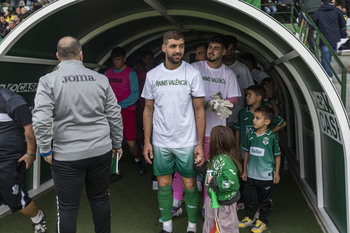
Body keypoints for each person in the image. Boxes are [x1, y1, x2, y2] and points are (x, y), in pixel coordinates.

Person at [32, 36, 123, 233]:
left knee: (67, 209)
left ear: (58, 56)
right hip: (101, 151)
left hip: (67, 155)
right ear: (81, 54)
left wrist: (46, 150)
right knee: (100, 199)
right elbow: (114, 114)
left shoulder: (48, 81)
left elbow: (41, 120)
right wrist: (117, 143)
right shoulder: (101, 79)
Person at [142, 30, 206, 233]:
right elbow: (148, 110)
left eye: (181, 46)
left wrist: (199, 144)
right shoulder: (152, 75)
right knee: (164, 183)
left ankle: (192, 227)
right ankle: (167, 227)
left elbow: (199, 111)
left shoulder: (192, 74)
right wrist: (147, 141)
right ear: (163, 48)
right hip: (161, 142)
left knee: (189, 183)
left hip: (187, 142)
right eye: (173, 46)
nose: (178, 50)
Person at [191, 35, 241, 216]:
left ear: (225, 52)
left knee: (210, 171)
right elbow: (186, 94)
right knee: (186, 170)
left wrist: (214, 104)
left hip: (214, 132)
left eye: (216, 48)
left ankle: (207, 206)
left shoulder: (228, 73)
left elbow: (234, 100)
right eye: (210, 47)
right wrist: (209, 103)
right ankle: (180, 204)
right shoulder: (195, 68)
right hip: (190, 130)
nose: (211, 51)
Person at [0, 86, 47, 233]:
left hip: (8, 160)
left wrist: (31, 153)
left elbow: (29, 128)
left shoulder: (10, 99)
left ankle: (38, 218)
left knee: (16, 201)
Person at [233, 85, 286, 211]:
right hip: (245, 150)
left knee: (260, 179)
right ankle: (243, 201)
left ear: (259, 97)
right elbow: (238, 131)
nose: (246, 97)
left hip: (262, 154)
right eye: (246, 95)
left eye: (249, 95)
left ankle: (262, 204)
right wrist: (236, 148)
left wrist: (267, 133)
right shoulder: (242, 113)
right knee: (243, 175)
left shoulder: (266, 112)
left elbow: (282, 123)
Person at [239, 106, 281, 233]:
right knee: (249, 197)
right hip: (251, 175)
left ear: (267, 122)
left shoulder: (271, 137)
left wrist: (277, 173)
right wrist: (244, 170)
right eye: (253, 117)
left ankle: (262, 221)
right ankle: (250, 218)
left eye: (257, 118)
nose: (254, 120)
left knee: (265, 200)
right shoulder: (250, 135)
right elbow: (246, 153)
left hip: (266, 176)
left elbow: (277, 155)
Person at [105, 46, 145, 175]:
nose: (116, 62)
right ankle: (114, 169)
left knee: (131, 143)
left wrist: (119, 105)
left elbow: (135, 94)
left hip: (127, 111)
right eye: (114, 60)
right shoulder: (108, 73)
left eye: (118, 59)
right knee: (110, 141)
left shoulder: (131, 73)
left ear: (124, 59)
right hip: (110, 112)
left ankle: (138, 160)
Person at [195, 126, 241, 233]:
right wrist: (199, 164)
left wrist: (213, 181)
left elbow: (232, 183)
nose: (209, 139)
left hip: (225, 205)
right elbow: (208, 171)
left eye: (211, 137)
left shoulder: (227, 162)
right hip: (214, 200)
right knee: (211, 227)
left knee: (226, 229)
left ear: (217, 142)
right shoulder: (215, 158)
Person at [222, 35, 254, 124]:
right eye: (227, 49)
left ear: (235, 49)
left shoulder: (242, 69)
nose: (229, 52)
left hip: (237, 116)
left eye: (231, 49)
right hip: (217, 116)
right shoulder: (216, 67)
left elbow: (250, 91)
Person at [313, 0, 346, 77]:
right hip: (334, 37)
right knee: (329, 55)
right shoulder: (337, 10)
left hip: (323, 37)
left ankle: (328, 76)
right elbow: (343, 23)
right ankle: (328, 74)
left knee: (325, 56)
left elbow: (314, 25)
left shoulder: (318, 12)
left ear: (322, 2)